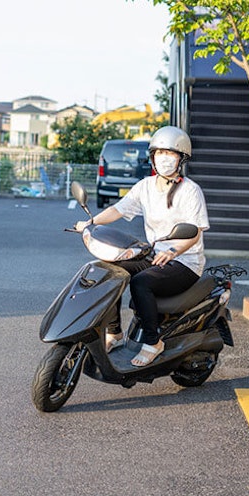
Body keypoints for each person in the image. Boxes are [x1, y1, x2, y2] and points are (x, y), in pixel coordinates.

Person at [75, 126, 209, 367]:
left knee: (141, 282)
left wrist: (173, 251)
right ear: (152, 157)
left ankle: (153, 341)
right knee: (110, 270)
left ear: (181, 159)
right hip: (156, 255)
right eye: (160, 153)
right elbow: (118, 209)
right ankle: (114, 332)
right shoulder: (145, 187)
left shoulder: (191, 191)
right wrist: (90, 222)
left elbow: (195, 232)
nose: (165, 158)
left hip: (185, 262)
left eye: (171, 153)